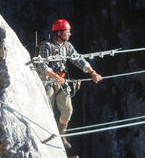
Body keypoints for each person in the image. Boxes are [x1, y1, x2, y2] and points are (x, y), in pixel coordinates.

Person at [35, 19, 102, 148]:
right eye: (67, 32)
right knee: (48, 109)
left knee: (67, 109)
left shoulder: (67, 46)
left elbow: (78, 59)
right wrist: (55, 76)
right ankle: (45, 133)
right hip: (48, 81)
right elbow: (42, 65)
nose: (70, 34)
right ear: (59, 33)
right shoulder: (47, 46)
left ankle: (61, 134)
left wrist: (92, 72)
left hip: (61, 81)